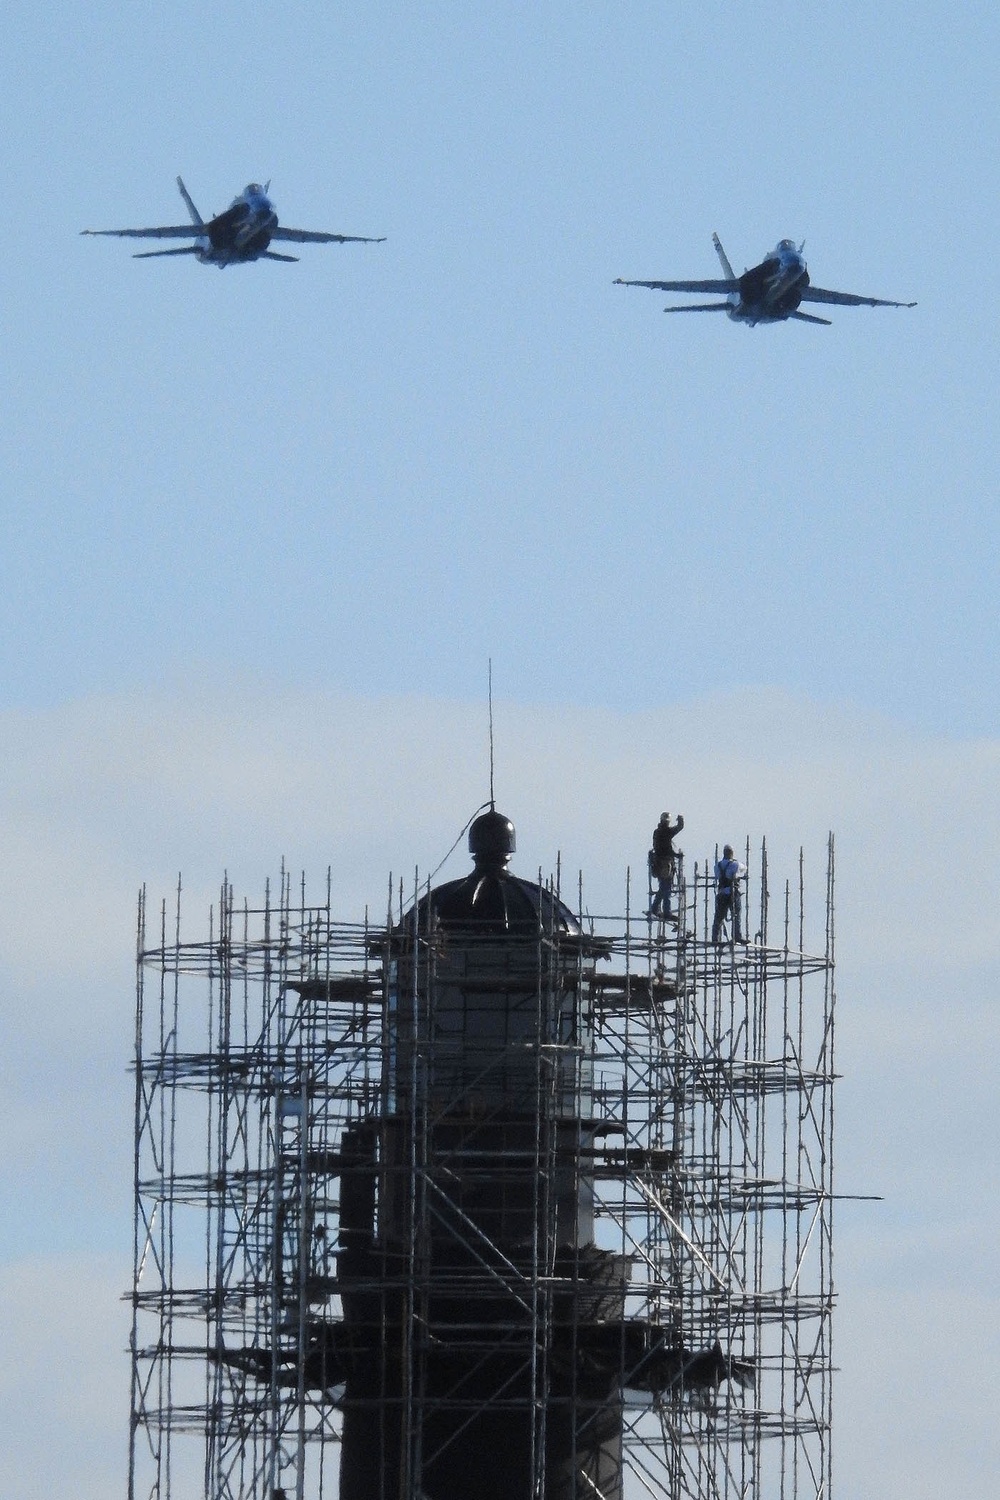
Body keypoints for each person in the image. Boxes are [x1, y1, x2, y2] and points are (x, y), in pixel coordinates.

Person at [648, 812, 684, 920]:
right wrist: (681, 820)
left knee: (663, 887)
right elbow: (679, 828)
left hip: (658, 864)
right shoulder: (666, 832)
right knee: (666, 888)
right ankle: (665, 911)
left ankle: (655, 908)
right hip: (665, 864)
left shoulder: (657, 832)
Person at [711, 845, 747, 944]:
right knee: (736, 914)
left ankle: (715, 937)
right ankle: (737, 936)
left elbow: (718, 876)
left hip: (722, 893)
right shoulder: (735, 864)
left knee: (719, 915)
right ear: (731, 853)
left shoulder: (717, 866)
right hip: (732, 892)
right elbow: (744, 868)